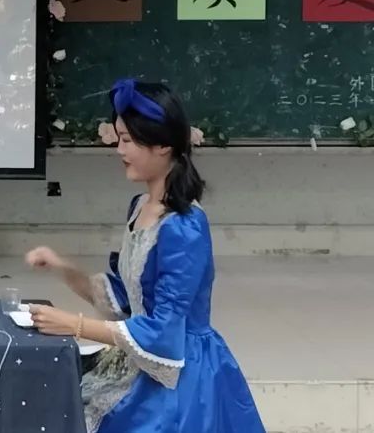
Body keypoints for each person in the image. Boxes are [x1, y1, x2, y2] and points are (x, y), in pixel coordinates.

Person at [24, 79, 265, 433]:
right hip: (143, 357)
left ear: (163, 144)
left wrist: (74, 325)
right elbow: (128, 298)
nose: (119, 150)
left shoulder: (184, 226)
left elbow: (163, 329)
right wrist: (62, 267)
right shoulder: (141, 206)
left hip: (180, 377)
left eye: (127, 140)